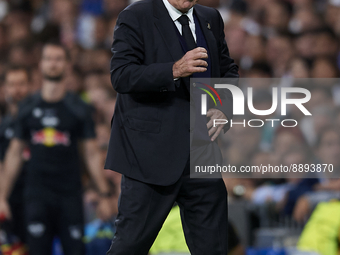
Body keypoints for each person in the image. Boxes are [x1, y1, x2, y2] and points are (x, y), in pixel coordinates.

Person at [104, 0, 239, 254]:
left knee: (214, 248)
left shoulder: (210, 18)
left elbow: (228, 71)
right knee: (129, 246)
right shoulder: (136, 15)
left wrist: (222, 108)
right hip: (150, 157)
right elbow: (121, 75)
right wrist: (174, 70)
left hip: (202, 153)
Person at [0, 42, 113, 255]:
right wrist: (2, 197)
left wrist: (104, 193)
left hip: (69, 195)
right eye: (48, 59)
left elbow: (90, 153)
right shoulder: (27, 108)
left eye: (58, 59)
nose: (53, 64)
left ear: (67, 65)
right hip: (36, 196)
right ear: (40, 64)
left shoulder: (79, 108)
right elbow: (14, 154)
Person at [0, 65, 31, 245]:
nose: (16, 90)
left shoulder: (37, 120)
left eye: (21, 84)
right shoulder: (3, 126)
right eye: (11, 85)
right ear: (5, 89)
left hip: (36, 197)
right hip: (11, 199)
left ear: (30, 86)